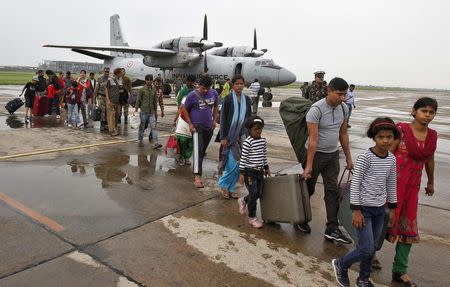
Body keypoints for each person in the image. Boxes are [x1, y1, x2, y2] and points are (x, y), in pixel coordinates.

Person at [332, 117, 399, 287]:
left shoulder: (391, 159)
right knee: (367, 248)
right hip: (363, 210)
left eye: (389, 137)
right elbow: (355, 185)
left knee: (372, 248)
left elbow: (391, 184)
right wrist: (356, 210)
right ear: (374, 137)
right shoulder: (365, 158)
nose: (385, 140)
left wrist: (392, 209)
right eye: (381, 137)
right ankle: (341, 264)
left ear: (394, 138)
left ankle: (363, 279)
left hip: (379, 210)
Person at [386, 97, 438, 287]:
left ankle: (400, 270)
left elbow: (429, 159)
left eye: (431, 112)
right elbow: (388, 154)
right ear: (414, 111)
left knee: (407, 226)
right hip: (392, 185)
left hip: (412, 188)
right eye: (424, 110)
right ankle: (369, 256)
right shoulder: (400, 129)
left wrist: (431, 181)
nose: (427, 115)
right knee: (382, 221)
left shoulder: (432, 136)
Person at [301, 77, 353, 244]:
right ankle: (300, 219)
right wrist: (308, 166)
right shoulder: (315, 110)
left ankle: (332, 228)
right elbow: (313, 140)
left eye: (345, 94)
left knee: (332, 191)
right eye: (339, 94)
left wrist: (349, 158)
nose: (343, 98)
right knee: (307, 189)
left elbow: (343, 134)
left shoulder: (344, 108)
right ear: (329, 91)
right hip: (315, 155)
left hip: (332, 156)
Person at [218, 74, 252, 198]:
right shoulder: (227, 99)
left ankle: (231, 188)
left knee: (240, 165)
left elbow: (248, 118)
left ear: (244, 85)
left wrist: (250, 135)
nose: (239, 86)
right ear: (233, 85)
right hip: (230, 136)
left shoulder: (247, 100)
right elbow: (223, 119)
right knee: (232, 164)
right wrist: (223, 137)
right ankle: (223, 184)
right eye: (237, 84)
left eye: (241, 84)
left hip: (242, 137)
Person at [182, 75, 219, 188]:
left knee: (202, 151)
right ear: (199, 85)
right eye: (203, 88)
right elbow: (184, 108)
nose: (206, 90)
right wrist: (190, 123)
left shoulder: (214, 93)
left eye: (208, 88)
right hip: (197, 127)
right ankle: (197, 177)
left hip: (209, 127)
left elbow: (216, 106)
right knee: (198, 150)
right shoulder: (192, 95)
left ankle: (198, 167)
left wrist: (214, 120)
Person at [237, 116, 271, 228]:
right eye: (256, 129)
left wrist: (266, 168)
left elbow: (263, 155)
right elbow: (243, 158)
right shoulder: (248, 142)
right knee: (253, 193)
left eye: (260, 129)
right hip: (249, 172)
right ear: (250, 130)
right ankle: (252, 218)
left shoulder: (262, 141)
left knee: (259, 193)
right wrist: (242, 173)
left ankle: (243, 200)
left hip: (259, 171)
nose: (258, 131)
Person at [134, 74, 162, 149]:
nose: (149, 81)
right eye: (147, 80)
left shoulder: (154, 90)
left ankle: (156, 142)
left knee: (153, 127)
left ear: (152, 81)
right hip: (143, 111)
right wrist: (136, 110)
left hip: (151, 112)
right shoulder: (142, 90)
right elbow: (138, 100)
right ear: (145, 81)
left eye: (150, 80)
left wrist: (156, 111)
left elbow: (155, 101)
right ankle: (140, 139)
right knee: (142, 126)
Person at [173, 74, 196, 165]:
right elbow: (180, 107)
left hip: (194, 120)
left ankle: (187, 157)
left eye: (191, 81)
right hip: (183, 119)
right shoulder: (183, 91)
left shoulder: (197, 92)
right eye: (188, 81)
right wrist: (175, 119)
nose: (190, 83)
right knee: (182, 140)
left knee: (191, 142)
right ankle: (182, 155)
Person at [105, 67, 124, 136]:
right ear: (118, 73)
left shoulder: (121, 80)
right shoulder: (110, 80)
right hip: (111, 101)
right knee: (111, 116)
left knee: (117, 115)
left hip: (118, 101)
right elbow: (106, 89)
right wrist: (108, 100)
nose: (122, 73)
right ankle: (112, 130)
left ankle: (115, 128)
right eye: (121, 72)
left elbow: (121, 89)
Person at [94, 67, 110, 131]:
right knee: (102, 110)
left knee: (107, 111)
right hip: (101, 97)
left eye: (108, 72)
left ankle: (106, 124)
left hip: (108, 97)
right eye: (105, 71)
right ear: (103, 71)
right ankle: (102, 125)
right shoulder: (100, 79)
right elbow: (96, 89)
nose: (106, 73)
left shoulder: (111, 79)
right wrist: (94, 99)